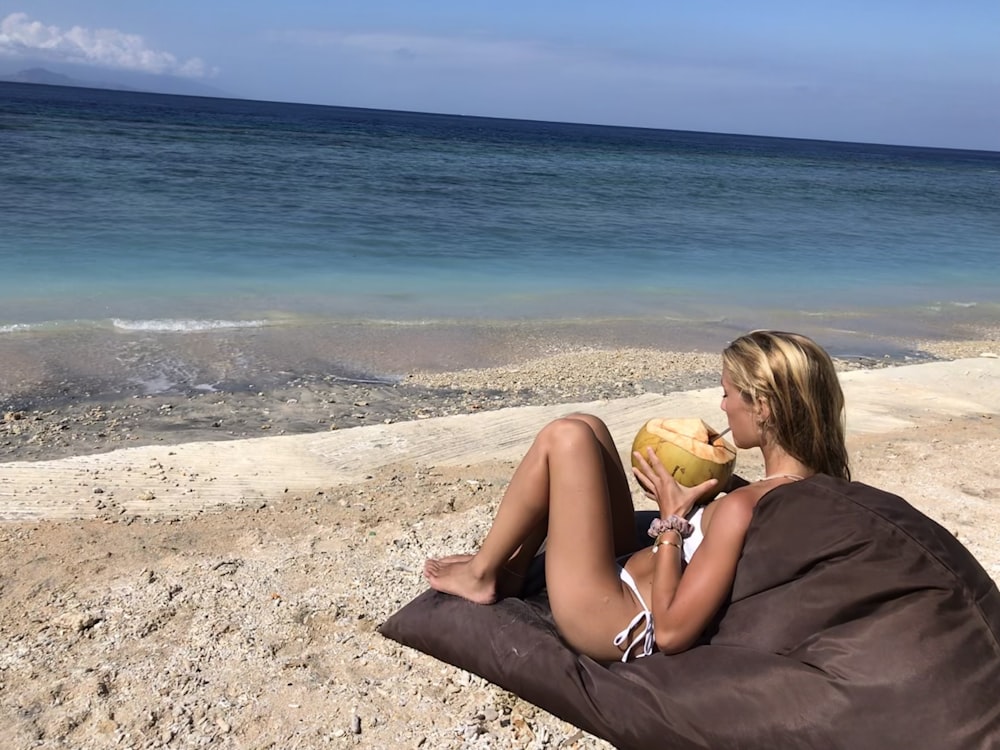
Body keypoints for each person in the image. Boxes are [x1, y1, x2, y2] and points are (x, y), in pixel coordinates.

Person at [424, 330, 850, 662]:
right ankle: (510, 570)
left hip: (610, 617)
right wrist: (714, 494)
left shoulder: (742, 507)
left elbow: (670, 631)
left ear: (764, 408)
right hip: (633, 577)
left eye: (727, 393)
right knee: (589, 427)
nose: (722, 407)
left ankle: (482, 574)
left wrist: (671, 521)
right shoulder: (806, 487)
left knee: (566, 437)